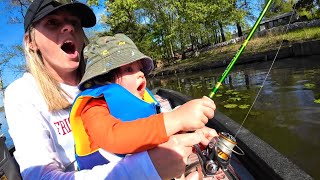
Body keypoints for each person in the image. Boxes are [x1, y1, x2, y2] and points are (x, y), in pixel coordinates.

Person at [3, 0, 222, 179]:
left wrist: (192, 133)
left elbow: (150, 116)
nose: (68, 27)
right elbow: (40, 177)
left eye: (74, 22)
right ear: (30, 42)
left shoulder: (111, 78)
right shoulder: (22, 93)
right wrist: (145, 168)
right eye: (52, 22)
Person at [69, 34, 217, 170]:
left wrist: (194, 135)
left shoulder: (141, 99)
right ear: (104, 79)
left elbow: (151, 132)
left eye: (140, 69)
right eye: (129, 69)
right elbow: (113, 137)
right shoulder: (94, 105)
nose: (141, 74)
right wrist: (177, 119)